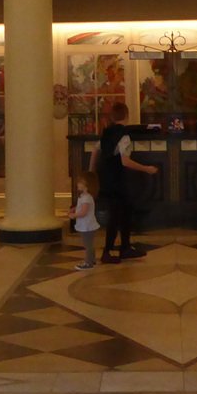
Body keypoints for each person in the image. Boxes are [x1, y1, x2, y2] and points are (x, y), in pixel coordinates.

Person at [90, 101, 159, 262]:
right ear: (127, 116)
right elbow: (124, 161)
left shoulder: (106, 133)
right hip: (118, 179)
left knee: (125, 211)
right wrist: (146, 169)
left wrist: (91, 171)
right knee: (117, 215)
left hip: (106, 178)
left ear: (112, 117)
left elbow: (95, 150)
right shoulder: (124, 135)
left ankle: (125, 247)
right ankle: (108, 252)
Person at [68, 173, 99, 269]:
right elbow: (81, 207)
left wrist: (74, 215)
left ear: (87, 184)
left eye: (80, 182)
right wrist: (74, 209)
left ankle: (88, 263)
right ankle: (92, 259)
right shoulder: (84, 196)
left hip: (87, 226)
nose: (78, 184)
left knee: (87, 245)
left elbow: (84, 212)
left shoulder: (86, 198)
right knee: (89, 243)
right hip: (87, 225)